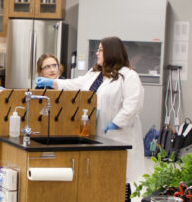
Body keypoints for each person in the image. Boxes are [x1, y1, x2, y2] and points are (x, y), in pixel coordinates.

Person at [36, 36, 145, 184]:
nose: (97, 53)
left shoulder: (129, 76)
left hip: (117, 136)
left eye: (100, 50)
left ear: (111, 52)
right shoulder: (96, 74)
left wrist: (116, 123)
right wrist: (53, 82)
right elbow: (77, 84)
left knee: (120, 181)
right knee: (100, 178)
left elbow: (133, 105)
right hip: (94, 131)